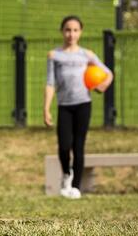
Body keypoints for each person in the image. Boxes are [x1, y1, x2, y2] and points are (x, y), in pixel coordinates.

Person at [44, 15, 112, 199]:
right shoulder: (54, 55)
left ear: (80, 32)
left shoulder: (87, 55)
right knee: (64, 146)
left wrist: (102, 86)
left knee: (79, 145)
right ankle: (67, 173)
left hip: (83, 104)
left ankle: (75, 187)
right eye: (67, 29)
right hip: (64, 106)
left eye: (75, 30)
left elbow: (108, 73)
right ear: (62, 31)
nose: (71, 34)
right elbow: (50, 83)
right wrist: (46, 108)